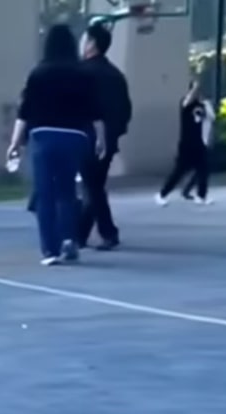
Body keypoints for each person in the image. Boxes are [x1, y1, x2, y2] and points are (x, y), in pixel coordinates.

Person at [8, 23, 105, 266]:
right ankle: (70, 239)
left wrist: (15, 142)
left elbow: (25, 111)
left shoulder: (38, 73)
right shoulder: (83, 74)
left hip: (43, 136)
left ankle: (50, 250)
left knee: (45, 193)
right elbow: (95, 111)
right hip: (75, 137)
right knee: (67, 191)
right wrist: (101, 139)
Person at [77, 21, 132, 250]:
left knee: (92, 186)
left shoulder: (81, 73)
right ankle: (79, 234)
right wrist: (115, 134)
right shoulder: (116, 75)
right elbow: (126, 109)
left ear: (91, 44)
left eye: (84, 39)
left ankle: (107, 232)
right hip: (109, 139)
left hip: (86, 137)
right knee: (94, 185)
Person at [157, 81, 215, 206]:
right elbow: (187, 101)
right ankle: (162, 194)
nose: (198, 92)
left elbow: (210, 118)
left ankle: (201, 196)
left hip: (198, 143)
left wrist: (205, 102)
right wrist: (194, 88)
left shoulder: (201, 105)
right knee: (179, 171)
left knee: (203, 170)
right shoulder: (185, 103)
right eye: (195, 90)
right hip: (186, 144)